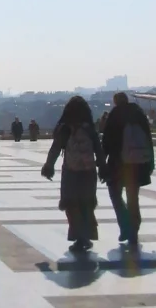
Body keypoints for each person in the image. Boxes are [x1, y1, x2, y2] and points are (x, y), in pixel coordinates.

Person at [41, 95, 106, 253]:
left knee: (71, 203)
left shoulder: (65, 128)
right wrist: (103, 166)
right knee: (87, 203)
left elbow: (56, 148)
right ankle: (87, 235)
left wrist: (49, 166)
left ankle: (78, 236)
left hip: (70, 170)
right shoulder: (89, 128)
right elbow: (98, 149)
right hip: (88, 171)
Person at [102, 91, 154, 248]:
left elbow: (107, 141)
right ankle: (134, 228)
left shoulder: (115, 115)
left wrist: (102, 163)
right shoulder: (139, 115)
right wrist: (150, 162)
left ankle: (126, 225)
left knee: (115, 194)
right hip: (137, 164)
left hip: (118, 164)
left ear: (115, 102)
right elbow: (148, 139)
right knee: (133, 197)